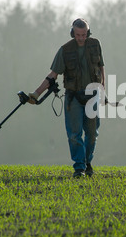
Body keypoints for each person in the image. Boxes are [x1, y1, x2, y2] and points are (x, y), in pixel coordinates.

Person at [28, 18, 105, 178]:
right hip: (73, 97)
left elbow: (101, 68)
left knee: (92, 134)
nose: (81, 38)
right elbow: (52, 75)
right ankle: (79, 168)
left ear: (88, 33)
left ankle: (87, 162)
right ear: (72, 33)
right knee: (74, 134)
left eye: (84, 34)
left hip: (93, 95)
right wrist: (36, 94)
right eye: (78, 34)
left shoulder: (95, 44)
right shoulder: (65, 50)